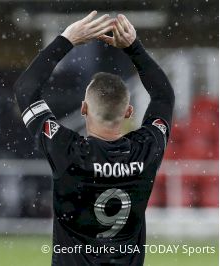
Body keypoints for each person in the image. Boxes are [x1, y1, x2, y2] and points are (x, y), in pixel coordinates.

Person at [14, 11, 174, 265]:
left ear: (84, 109)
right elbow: (164, 97)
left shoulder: (67, 150)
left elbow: (25, 89)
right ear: (129, 112)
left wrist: (66, 40)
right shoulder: (146, 150)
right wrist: (135, 49)